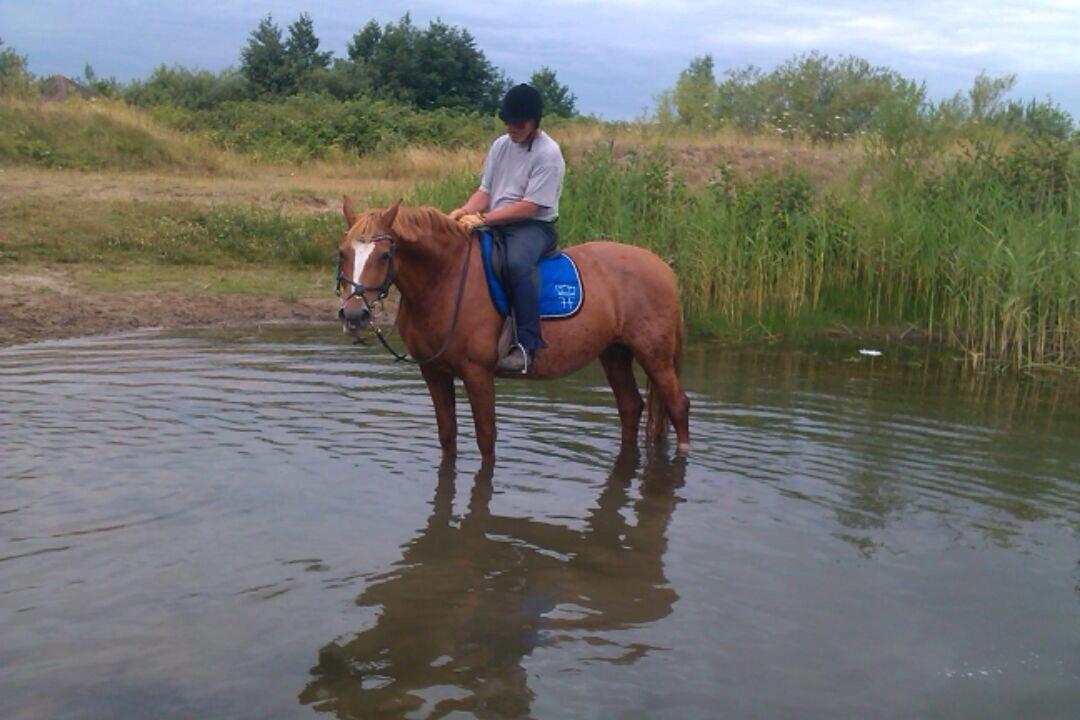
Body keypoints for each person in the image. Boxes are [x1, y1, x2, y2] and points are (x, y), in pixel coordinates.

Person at [450, 83, 566, 374]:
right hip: (498, 221)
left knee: (516, 264)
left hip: (532, 227)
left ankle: (527, 346)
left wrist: (484, 220)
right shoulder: (501, 145)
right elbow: (485, 192)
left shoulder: (548, 154)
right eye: (508, 122)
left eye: (519, 123)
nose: (512, 128)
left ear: (534, 121)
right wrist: (464, 211)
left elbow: (530, 206)